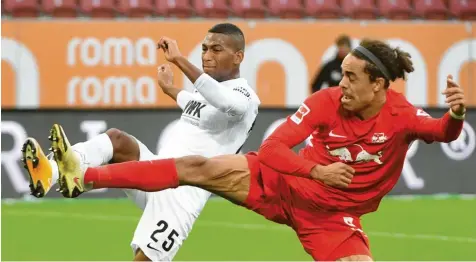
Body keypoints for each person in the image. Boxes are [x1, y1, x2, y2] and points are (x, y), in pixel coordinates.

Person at [53, 39, 466, 261]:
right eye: (341, 74)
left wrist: (458, 115)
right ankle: (82, 176)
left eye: (351, 77)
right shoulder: (326, 102)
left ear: (378, 84)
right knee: (194, 166)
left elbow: (442, 132)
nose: (341, 84)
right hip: (283, 184)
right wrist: (315, 172)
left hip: (332, 221)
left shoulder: (402, 115)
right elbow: (271, 150)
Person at [21, 23, 260, 261]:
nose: (207, 56)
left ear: (238, 56)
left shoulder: (245, 96)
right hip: (156, 170)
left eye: (216, 50)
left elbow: (227, 103)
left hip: (182, 194)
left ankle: (78, 177)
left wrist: (179, 60)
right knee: (117, 140)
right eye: (205, 49)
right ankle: (51, 173)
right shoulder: (207, 92)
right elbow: (196, 105)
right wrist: (170, 89)